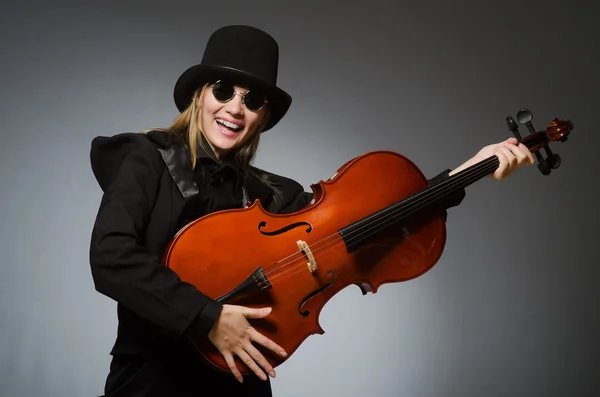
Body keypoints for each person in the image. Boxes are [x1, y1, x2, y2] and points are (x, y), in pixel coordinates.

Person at [88, 25, 535, 397]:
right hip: (150, 380)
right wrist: (207, 316)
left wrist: (466, 172)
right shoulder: (147, 159)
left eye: (253, 99)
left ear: (263, 116)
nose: (235, 109)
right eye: (223, 91)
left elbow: (370, 225)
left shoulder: (272, 196)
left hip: (239, 381)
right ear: (201, 95)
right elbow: (111, 257)